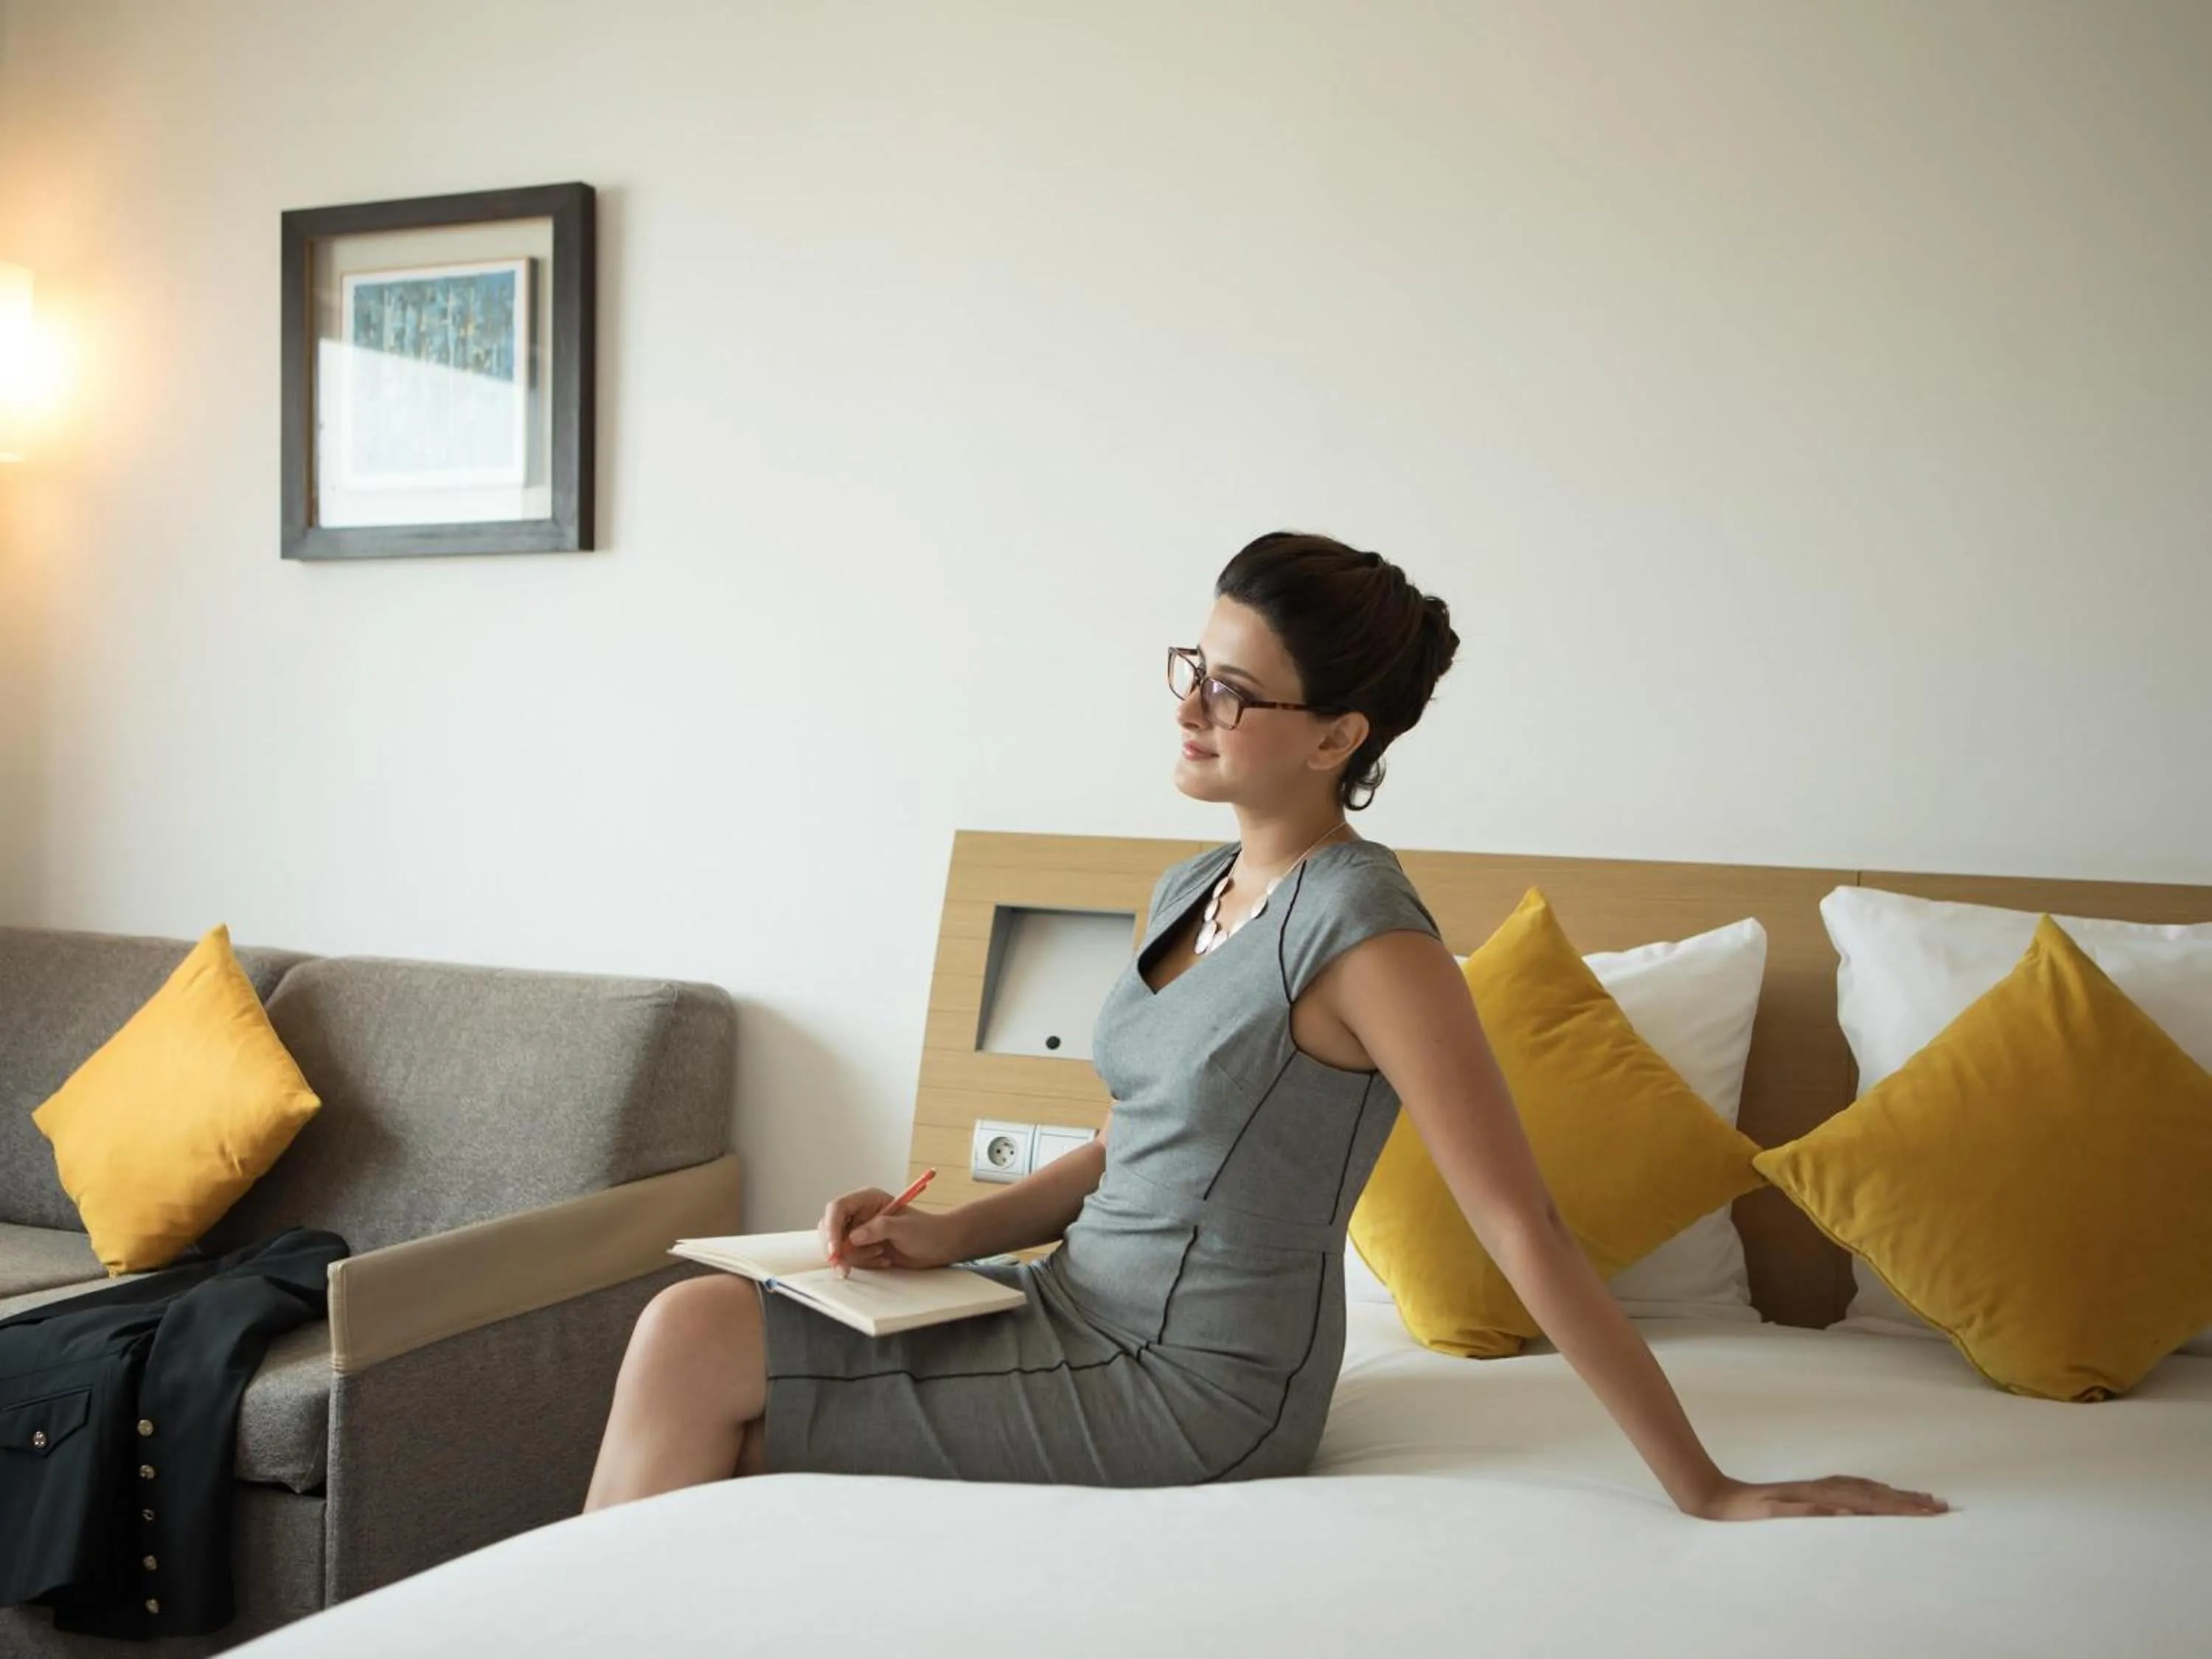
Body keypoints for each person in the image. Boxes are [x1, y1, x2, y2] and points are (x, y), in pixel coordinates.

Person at [584, 530, 1947, 1521]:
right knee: (695, 1328)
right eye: (1197, 662)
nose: (1191, 703)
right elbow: (1128, 1144)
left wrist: (1705, 1487)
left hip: (1192, 1382)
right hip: (1067, 1305)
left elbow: (1520, 1221)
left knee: (708, 1390)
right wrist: (944, 1233)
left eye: (1234, 688)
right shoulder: (1197, 886)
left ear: (1337, 735)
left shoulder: (1372, 939)